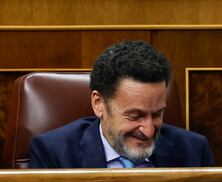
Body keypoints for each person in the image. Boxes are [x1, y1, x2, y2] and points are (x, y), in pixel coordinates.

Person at [29, 40, 214, 168]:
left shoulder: (194, 151)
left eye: (157, 114)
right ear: (98, 103)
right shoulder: (53, 154)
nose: (149, 131)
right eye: (135, 116)